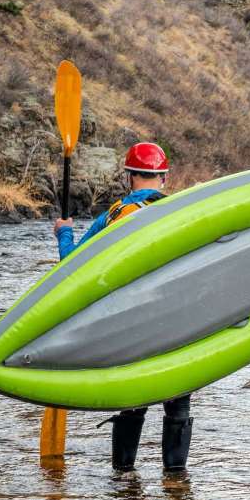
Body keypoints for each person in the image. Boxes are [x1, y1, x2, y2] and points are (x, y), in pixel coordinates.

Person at [52, 142, 193, 474]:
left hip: (132, 322)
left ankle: (123, 477)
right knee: (179, 404)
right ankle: (176, 481)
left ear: (130, 177)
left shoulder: (114, 215)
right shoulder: (183, 211)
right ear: (164, 178)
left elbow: (71, 264)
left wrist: (64, 232)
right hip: (177, 319)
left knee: (133, 402)